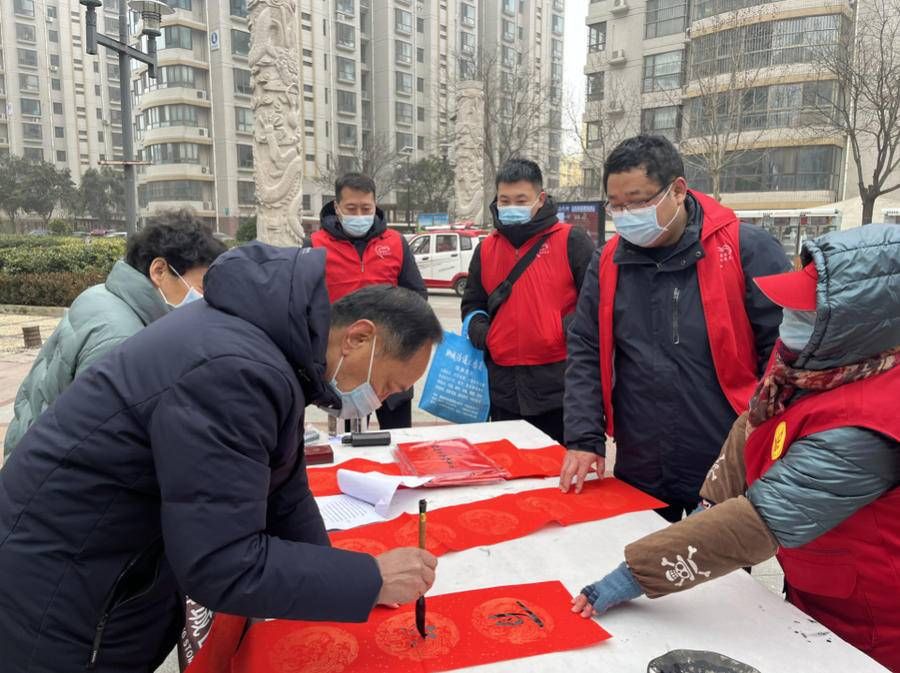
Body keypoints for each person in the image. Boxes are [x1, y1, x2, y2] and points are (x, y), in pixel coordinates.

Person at [0, 243, 443, 673]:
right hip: (62, 597)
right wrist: (370, 578)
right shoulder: (235, 371)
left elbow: (283, 489)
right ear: (359, 337)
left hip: (99, 570)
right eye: (388, 385)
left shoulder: (274, 349)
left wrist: (345, 576)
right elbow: (221, 564)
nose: (380, 402)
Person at [572, 224, 900, 672]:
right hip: (819, 596)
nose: (787, 318)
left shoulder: (869, 420)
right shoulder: (816, 370)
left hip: (876, 625)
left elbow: (760, 521)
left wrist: (635, 573)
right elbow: (754, 424)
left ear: (854, 325)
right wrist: (710, 503)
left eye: (804, 311)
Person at [561, 135, 790, 521]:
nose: (626, 213)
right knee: (642, 568)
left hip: (723, 457)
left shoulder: (745, 250)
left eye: (637, 201)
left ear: (678, 190)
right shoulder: (608, 262)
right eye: (616, 205)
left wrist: (766, 444)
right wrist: (584, 439)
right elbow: (586, 349)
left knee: (717, 576)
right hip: (641, 458)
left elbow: (783, 356)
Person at [3, 210, 226, 457]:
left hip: (26, 445)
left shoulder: (100, 295)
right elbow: (97, 444)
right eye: (200, 286)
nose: (203, 299)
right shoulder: (123, 341)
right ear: (159, 270)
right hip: (47, 473)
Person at [461, 158, 594, 444]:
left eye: (521, 200)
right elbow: (473, 305)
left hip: (559, 385)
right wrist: (486, 335)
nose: (511, 207)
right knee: (509, 467)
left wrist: (560, 330)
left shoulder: (572, 240)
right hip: (503, 386)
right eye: (504, 200)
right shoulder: (486, 249)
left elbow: (594, 302)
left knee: (555, 475)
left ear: (540, 198)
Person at [308, 172, 427, 430]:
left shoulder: (395, 243)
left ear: (375, 206)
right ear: (337, 207)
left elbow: (417, 296)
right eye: (352, 208)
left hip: (392, 358)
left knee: (397, 439)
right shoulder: (316, 246)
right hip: (345, 364)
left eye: (366, 208)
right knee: (347, 442)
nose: (359, 214)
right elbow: (306, 304)